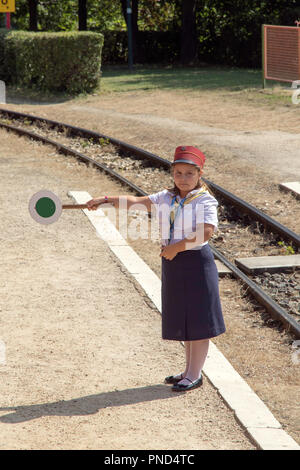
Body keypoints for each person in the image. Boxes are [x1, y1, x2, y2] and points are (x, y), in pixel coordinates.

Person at [86, 146, 226, 392]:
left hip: (195, 262)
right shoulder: (167, 197)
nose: (183, 178)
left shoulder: (205, 200)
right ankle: (188, 370)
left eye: (189, 174)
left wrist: (177, 248)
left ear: (200, 174)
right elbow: (136, 202)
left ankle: (195, 374)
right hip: (173, 262)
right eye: (178, 173)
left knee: (199, 322)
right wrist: (105, 200)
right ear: (172, 172)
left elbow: (206, 232)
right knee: (184, 319)